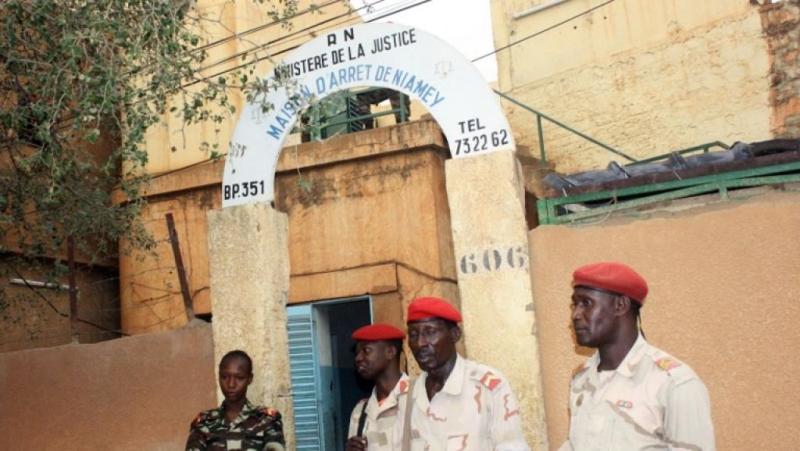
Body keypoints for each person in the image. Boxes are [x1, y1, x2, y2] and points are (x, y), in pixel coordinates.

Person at [561, 262, 715, 451]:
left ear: (620, 305)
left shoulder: (673, 383)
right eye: (574, 304)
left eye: (586, 303)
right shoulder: (582, 379)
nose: (575, 314)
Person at [404, 296, 530, 451]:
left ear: (455, 334)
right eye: (414, 335)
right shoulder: (408, 395)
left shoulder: (488, 387)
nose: (420, 343)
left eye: (430, 332)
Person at [186, 350, 285, 451]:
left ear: (250, 379)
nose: (231, 384)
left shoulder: (267, 419)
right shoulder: (204, 421)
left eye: (239, 377)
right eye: (224, 377)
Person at [346, 323, 409, 451]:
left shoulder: (420, 398)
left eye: (366, 350)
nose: (358, 358)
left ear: (390, 352)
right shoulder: (360, 412)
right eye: (357, 353)